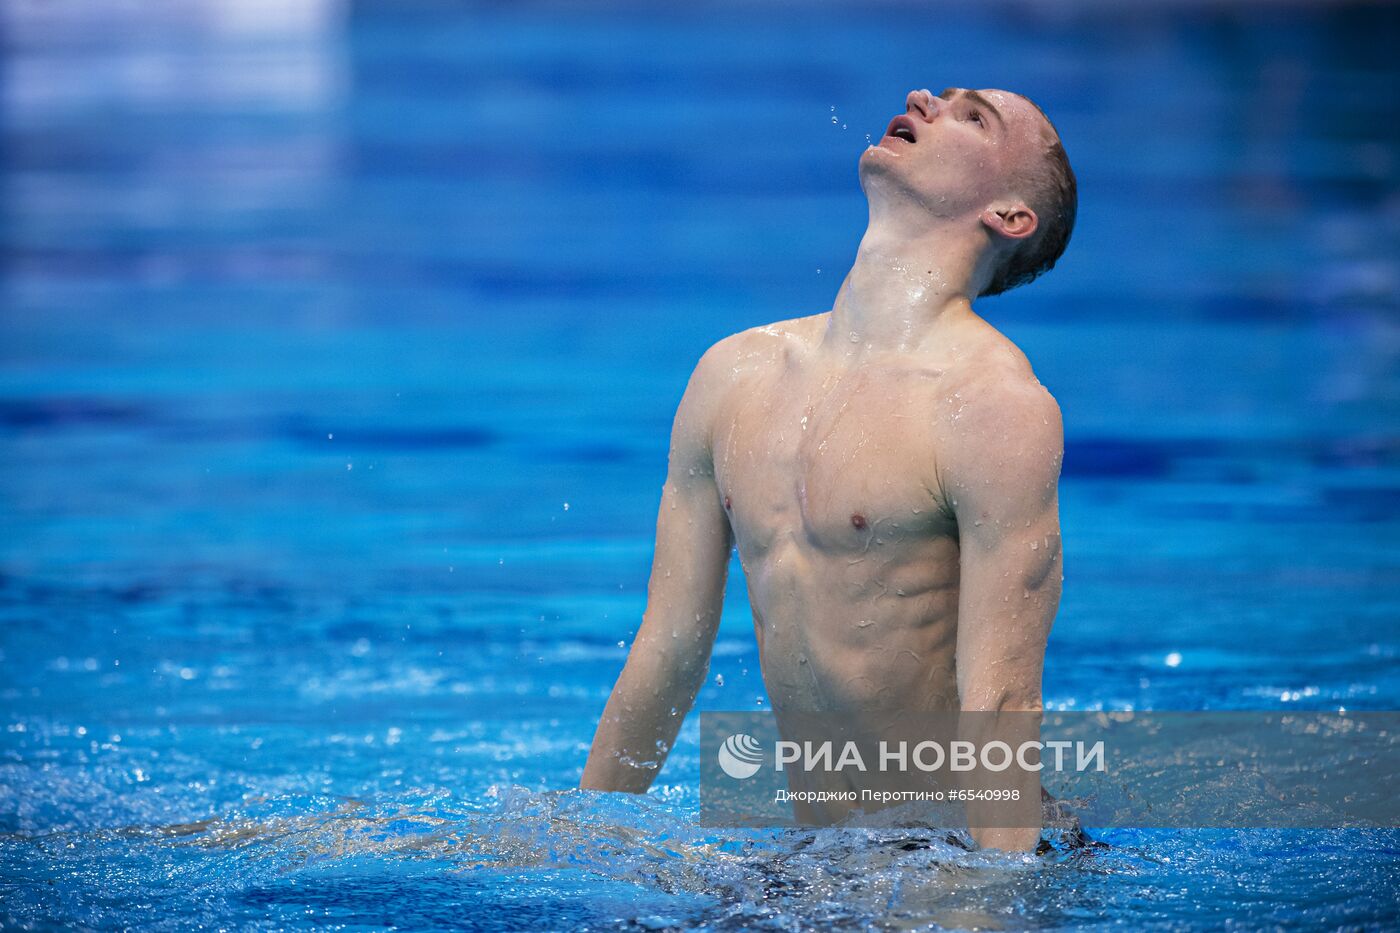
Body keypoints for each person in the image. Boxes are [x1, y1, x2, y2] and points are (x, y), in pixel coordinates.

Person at [581, 87, 1077, 852]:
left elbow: (1004, 702)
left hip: (953, 853)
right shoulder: (732, 376)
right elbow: (669, 650)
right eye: (939, 98)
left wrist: (988, 898)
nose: (923, 99)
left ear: (1009, 215)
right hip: (823, 861)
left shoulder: (992, 407)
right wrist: (585, 844)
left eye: (973, 117)